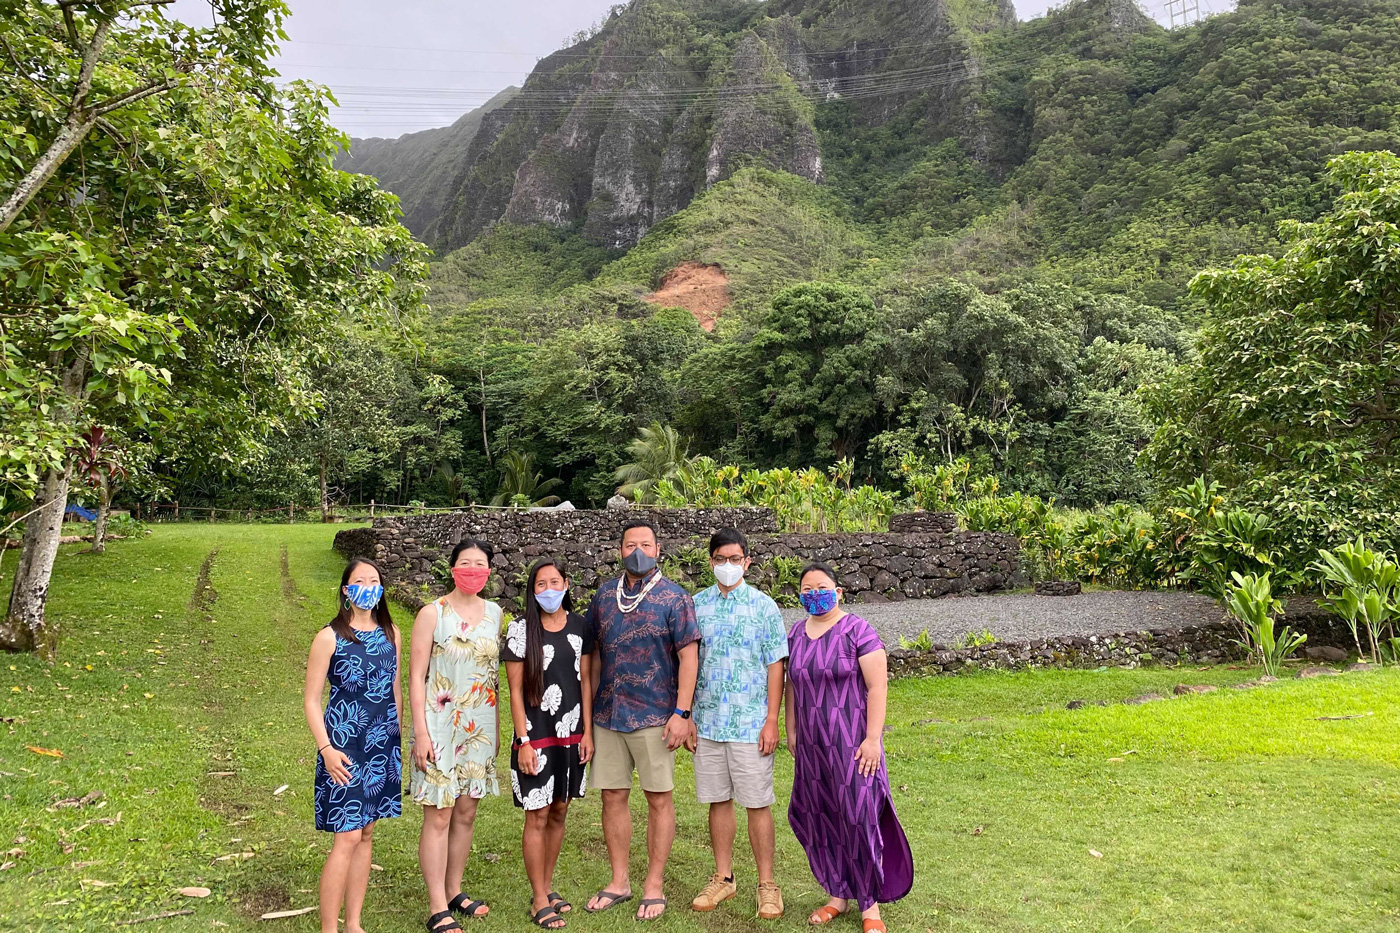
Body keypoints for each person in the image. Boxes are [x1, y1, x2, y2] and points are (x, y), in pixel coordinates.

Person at [583, 518, 700, 921]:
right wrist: (588, 717)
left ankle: (654, 883)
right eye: (630, 543)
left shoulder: (675, 598)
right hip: (609, 713)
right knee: (612, 796)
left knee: (658, 799)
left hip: (657, 715)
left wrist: (683, 713)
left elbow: (689, 658)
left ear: (658, 548)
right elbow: (594, 656)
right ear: (620, 550)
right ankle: (619, 880)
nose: (638, 550)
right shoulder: (602, 598)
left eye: (645, 544)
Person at [786, 563, 913, 933]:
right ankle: (837, 894)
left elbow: (877, 687)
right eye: (806, 589)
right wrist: (791, 730)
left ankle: (869, 905)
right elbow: (792, 685)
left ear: (838, 592)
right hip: (812, 746)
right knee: (820, 814)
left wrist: (873, 739)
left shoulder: (857, 630)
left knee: (859, 816)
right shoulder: (795, 633)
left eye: (821, 587)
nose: (814, 594)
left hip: (853, 744)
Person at [686, 528, 787, 920]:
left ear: (747, 561)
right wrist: (688, 715)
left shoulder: (764, 607)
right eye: (720, 559)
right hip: (709, 721)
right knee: (718, 800)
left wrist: (771, 720)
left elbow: (776, 665)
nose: (727, 565)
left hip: (750, 723)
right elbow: (688, 665)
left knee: (758, 803)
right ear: (710, 561)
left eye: (734, 559)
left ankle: (767, 884)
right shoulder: (696, 606)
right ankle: (723, 878)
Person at [304, 558, 403, 933]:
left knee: (366, 833)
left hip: (382, 745)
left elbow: (395, 688)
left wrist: (400, 735)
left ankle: (354, 924)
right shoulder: (329, 636)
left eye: (373, 580)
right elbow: (312, 700)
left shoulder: (392, 632)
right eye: (359, 580)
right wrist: (326, 749)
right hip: (343, 745)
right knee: (346, 836)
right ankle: (330, 928)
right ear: (346, 590)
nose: (367, 586)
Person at [409, 538, 501, 933]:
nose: (473, 569)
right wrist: (420, 732)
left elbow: (494, 675)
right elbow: (415, 677)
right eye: (466, 563)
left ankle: (454, 890)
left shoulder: (496, 613)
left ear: (489, 571)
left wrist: (495, 729)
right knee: (440, 814)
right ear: (452, 568)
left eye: (480, 564)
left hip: (479, 726)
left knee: (466, 811)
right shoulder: (432, 613)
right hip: (439, 725)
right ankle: (435, 906)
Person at [502, 558, 596, 929]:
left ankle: (546, 884)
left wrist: (587, 732)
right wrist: (524, 740)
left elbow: (585, 681)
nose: (548, 591)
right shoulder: (521, 631)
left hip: (572, 733)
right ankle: (539, 898)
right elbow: (512, 690)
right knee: (537, 814)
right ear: (532, 590)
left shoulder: (580, 627)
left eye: (554, 583)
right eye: (540, 585)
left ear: (567, 584)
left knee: (559, 810)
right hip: (536, 734)